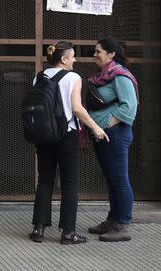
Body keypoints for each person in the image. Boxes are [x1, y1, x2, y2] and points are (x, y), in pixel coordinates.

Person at [29, 41, 109, 245]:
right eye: (72, 56)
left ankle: (38, 229)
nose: (75, 59)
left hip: (44, 134)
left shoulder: (39, 77)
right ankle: (68, 232)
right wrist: (95, 127)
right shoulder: (73, 77)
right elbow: (77, 108)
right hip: (66, 135)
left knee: (45, 179)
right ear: (64, 59)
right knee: (69, 182)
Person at [86, 37, 139, 242]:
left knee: (119, 179)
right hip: (105, 134)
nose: (94, 55)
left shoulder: (120, 76)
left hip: (115, 134)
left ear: (111, 54)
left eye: (98, 51)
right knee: (112, 179)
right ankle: (113, 220)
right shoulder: (104, 75)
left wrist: (107, 123)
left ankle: (123, 224)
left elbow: (129, 107)